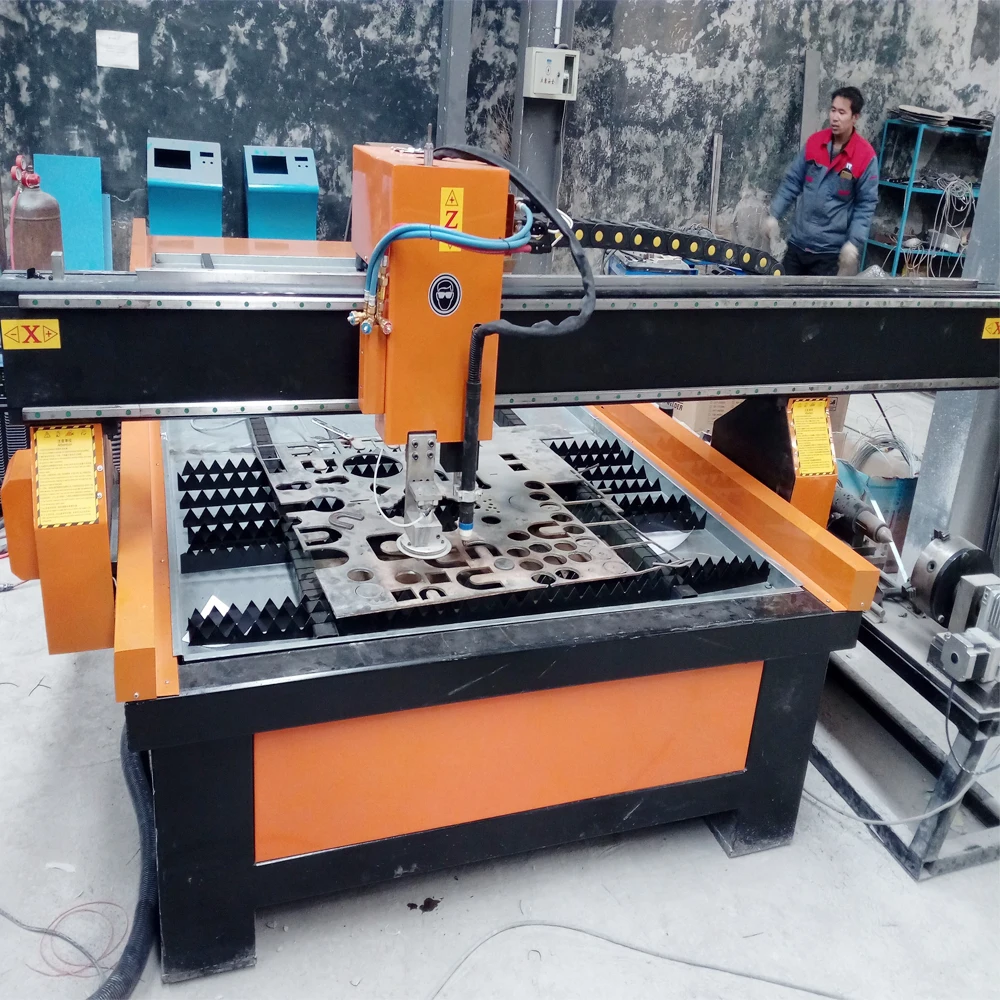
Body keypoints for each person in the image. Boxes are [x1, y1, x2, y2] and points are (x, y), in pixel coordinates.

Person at [765, 86, 878, 276]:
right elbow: (792, 181)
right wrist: (774, 214)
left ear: (855, 117)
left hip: (829, 253)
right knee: (783, 292)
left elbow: (866, 204)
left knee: (815, 297)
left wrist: (854, 242)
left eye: (842, 112)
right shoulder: (815, 143)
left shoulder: (865, 157)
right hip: (798, 244)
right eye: (833, 110)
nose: (835, 117)